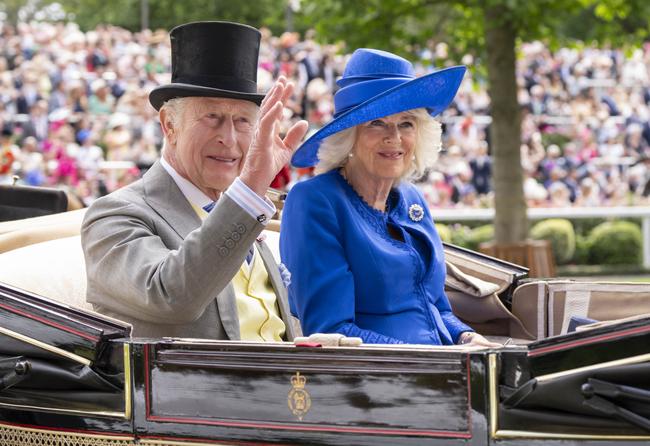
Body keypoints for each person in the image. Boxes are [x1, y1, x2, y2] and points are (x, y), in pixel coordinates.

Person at [81, 21, 308, 340]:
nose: (228, 139)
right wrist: (249, 190)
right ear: (169, 125)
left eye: (242, 121)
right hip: (197, 389)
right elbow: (171, 297)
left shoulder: (248, 206)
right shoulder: (116, 215)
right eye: (211, 118)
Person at [280, 48, 498, 347]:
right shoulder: (315, 200)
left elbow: (436, 307)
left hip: (443, 366)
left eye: (406, 123)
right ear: (349, 136)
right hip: (375, 378)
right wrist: (425, 359)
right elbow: (330, 329)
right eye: (376, 123)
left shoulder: (411, 199)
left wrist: (467, 336)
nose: (394, 137)